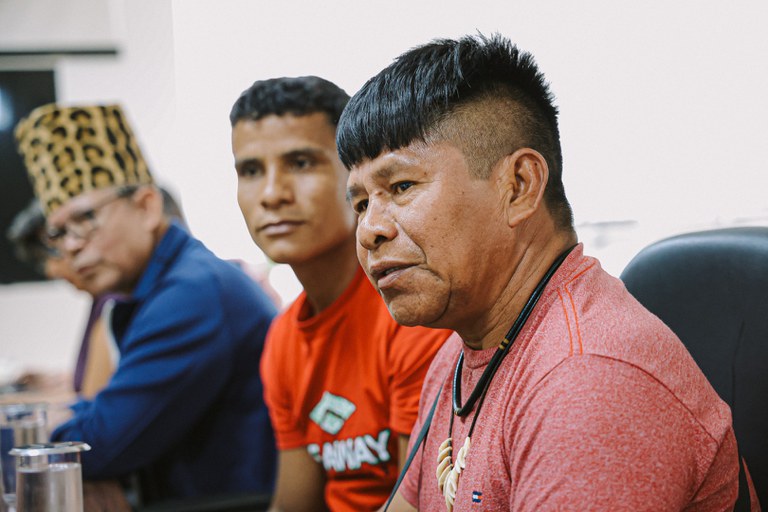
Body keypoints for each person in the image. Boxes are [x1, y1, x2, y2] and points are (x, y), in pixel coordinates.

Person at [338, 34, 746, 511]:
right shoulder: (458, 352)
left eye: (402, 185)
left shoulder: (589, 383)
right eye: (362, 203)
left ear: (519, 186)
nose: (370, 230)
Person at [13, 103, 278, 503]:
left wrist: (53, 424)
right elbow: (108, 411)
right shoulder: (159, 287)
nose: (71, 245)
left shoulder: (192, 294)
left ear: (147, 207)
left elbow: (98, 447)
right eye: (59, 232)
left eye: (85, 218)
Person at [229, 76, 453, 511]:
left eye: (300, 163)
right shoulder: (284, 339)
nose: (272, 194)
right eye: (251, 171)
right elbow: (294, 505)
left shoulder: (409, 313)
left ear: (356, 178)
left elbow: (420, 503)